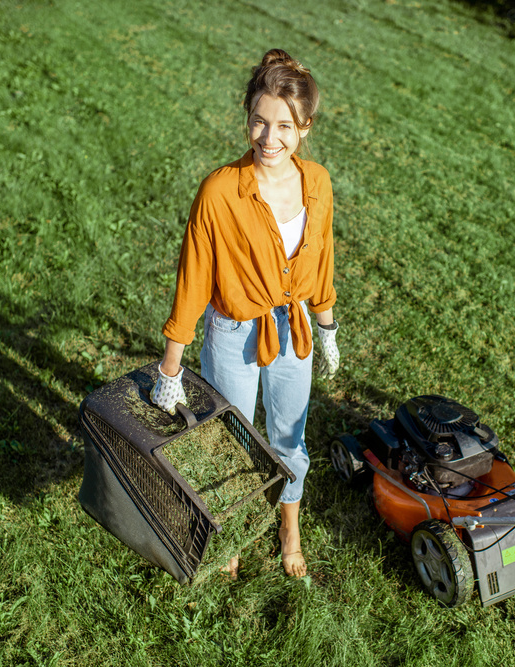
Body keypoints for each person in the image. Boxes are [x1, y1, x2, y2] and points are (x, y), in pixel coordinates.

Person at [150, 48, 340, 578]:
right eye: (259, 122)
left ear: (305, 127)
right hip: (233, 333)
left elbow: (322, 259)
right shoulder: (219, 191)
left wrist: (327, 328)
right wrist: (171, 368)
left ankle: (288, 526)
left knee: (289, 440)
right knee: (232, 438)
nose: (268, 139)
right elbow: (192, 281)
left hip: (294, 329)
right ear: (247, 118)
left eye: (283, 125)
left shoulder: (317, 184)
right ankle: (230, 529)